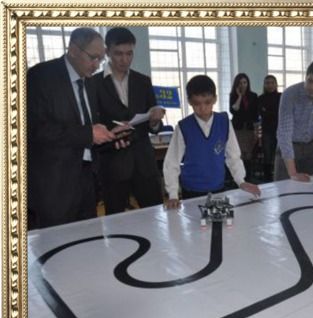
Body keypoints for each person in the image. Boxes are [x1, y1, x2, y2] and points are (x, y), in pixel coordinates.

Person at [27, 27, 122, 229]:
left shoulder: (90, 82)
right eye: (93, 58)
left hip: (87, 179)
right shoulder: (40, 76)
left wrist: (111, 137)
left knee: (89, 237)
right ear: (73, 50)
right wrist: (88, 134)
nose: (97, 65)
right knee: (57, 243)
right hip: (54, 184)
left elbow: (89, 124)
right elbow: (35, 129)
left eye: (101, 59)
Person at [93, 27, 165, 215]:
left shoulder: (143, 81)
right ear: (107, 52)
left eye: (129, 53)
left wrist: (155, 121)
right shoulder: (93, 84)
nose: (124, 59)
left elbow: (153, 124)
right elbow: (93, 125)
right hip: (113, 163)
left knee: (156, 216)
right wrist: (111, 137)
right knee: (116, 220)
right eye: (118, 54)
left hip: (144, 162)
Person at [163, 75, 261, 209]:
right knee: (194, 221)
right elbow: (172, 162)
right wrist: (173, 194)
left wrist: (240, 180)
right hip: (191, 190)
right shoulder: (183, 127)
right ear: (189, 101)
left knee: (220, 221)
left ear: (215, 99)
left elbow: (233, 155)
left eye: (207, 102)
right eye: (197, 103)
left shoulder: (224, 122)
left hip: (218, 188)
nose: (202, 107)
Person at [274, 60, 313, 181]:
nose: (312, 87)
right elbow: (284, 134)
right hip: (289, 147)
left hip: (312, 147)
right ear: (305, 76)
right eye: (310, 81)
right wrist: (293, 173)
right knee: (285, 187)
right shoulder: (289, 94)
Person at [229, 73, 259, 179]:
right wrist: (240, 96)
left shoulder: (253, 96)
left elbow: (256, 114)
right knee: (239, 153)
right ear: (237, 84)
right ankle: (239, 177)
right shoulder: (233, 95)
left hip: (249, 128)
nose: (243, 85)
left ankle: (248, 177)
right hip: (238, 128)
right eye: (240, 83)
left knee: (248, 153)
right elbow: (234, 110)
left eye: (245, 82)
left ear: (248, 83)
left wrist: (256, 130)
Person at [257, 75, 281, 182]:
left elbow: (280, 113)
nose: (270, 85)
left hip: (279, 131)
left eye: (272, 82)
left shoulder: (281, 96)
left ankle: (279, 177)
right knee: (267, 155)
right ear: (264, 85)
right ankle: (267, 179)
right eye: (267, 83)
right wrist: (272, 113)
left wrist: (268, 111)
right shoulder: (261, 98)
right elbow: (262, 113)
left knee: (279, 155)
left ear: (276, 84)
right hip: (267, 131)